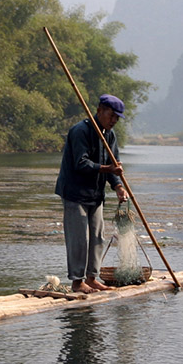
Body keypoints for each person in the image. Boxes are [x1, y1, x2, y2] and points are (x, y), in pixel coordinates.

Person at [55, 94, 129, 293]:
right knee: (79, 238)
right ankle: (77, 282)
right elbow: (81, 163)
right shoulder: (81, 131)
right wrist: (109, 170)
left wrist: (118, 187)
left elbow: (114, 166)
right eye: (111, 116)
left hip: (95, 194)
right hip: (74, 192)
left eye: (116, 118)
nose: (113, 121)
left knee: (97, 237)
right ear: (99, 111)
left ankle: (92, 278)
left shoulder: (110, 136)